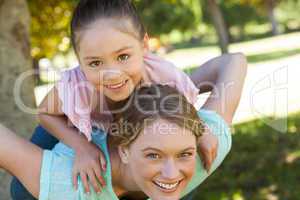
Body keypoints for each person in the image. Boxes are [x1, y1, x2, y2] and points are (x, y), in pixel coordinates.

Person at [10, 0, 248, 198]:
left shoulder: (164, 77)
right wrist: (82, 147)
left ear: (144, 45)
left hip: (120, 134)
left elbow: (184, 113)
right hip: (69, 123)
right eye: (95, 63)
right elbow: (45, 113)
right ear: (80, 60)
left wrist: (201, 129)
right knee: (21, 190)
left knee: (173, 176)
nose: (112, 74)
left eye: (123, 56)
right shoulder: (78, 87)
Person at [0, 82, 240, 200]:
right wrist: (81, 147)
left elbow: (234, 61)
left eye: (184, 153)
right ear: (125, 151)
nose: (171, 172)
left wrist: (178, 99)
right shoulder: (70, 185)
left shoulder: (207, 148)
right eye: (154, 155)